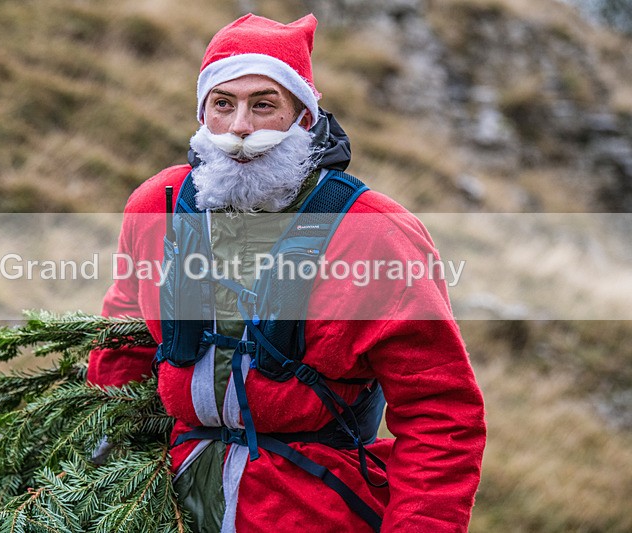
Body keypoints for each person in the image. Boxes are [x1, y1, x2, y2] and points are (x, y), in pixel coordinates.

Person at [87, 13, 486, 533]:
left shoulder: (374, 232)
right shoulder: (157, 204)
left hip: (313, 505)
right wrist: (101, 471)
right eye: (222, 104)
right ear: (203, 115)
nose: (240, 127)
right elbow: (126, 341)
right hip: (167, 498)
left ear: (303, 117)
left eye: (264, 104)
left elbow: (441, 412)